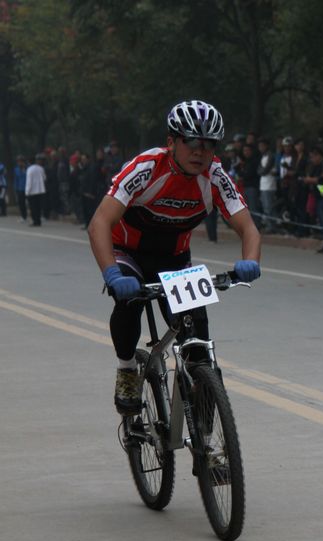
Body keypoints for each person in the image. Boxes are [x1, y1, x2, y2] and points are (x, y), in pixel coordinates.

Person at [86, 100, 261, 416]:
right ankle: (127, 369)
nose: (200, 152)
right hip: (128, 253)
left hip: (175, 260)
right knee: (129, 304)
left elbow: (248, 228)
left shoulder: (216, 176)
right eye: (191, 142)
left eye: (209, 145)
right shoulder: (146, 168)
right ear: (171, 142)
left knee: (198, 344)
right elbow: (100, 222)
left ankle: (206, 429)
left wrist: (250, 260)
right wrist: (111, 273)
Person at [257, 137, 278, 232]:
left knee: (269, 206)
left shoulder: (270, 156)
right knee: (265, 206)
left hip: (269, 185)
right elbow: (259, 169)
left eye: (262, 146)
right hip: (263, 184)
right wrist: (262, 171)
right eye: (260, 146)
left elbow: (265, 170)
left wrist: (262, 171)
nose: (261, 148)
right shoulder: (263, 156)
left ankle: (272, 226)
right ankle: (269, 225)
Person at [25, 154, 47, 227]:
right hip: (40, 190)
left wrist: (27, 192)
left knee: (33, 207)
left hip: (32, 191)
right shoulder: (41, 168)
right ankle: (39, 221)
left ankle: (35, 221)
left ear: (29, 162)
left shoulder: (29, 169)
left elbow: (29, 182)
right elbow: (44, 178)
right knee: (38, 207)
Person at [14, 155, 27, 223]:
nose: (19, 163)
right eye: (18, 161)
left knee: (31, 203)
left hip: (28, 188)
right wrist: (16, 188)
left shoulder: (27, 168)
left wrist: (24, 170)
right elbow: (16, 179)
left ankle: (35, 216)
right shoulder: (16, 169)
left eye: (21, 161)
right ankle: (23, 217)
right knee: (21, 203)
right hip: (20, 188)